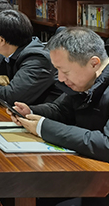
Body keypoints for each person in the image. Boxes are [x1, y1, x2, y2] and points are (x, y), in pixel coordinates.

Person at [10, 27, 109, 162]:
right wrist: (30, 112)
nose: (60, 78)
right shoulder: (84, 82)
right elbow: (61, 110)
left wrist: (43, 128)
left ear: (94, 64)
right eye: (57, 70)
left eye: (65, 72)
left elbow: (106, 145)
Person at [0, 10, 57, 105]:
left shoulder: (37, 59)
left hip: (40, 111)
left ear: (1, 40)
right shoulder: (5, 53)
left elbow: (12, 96)